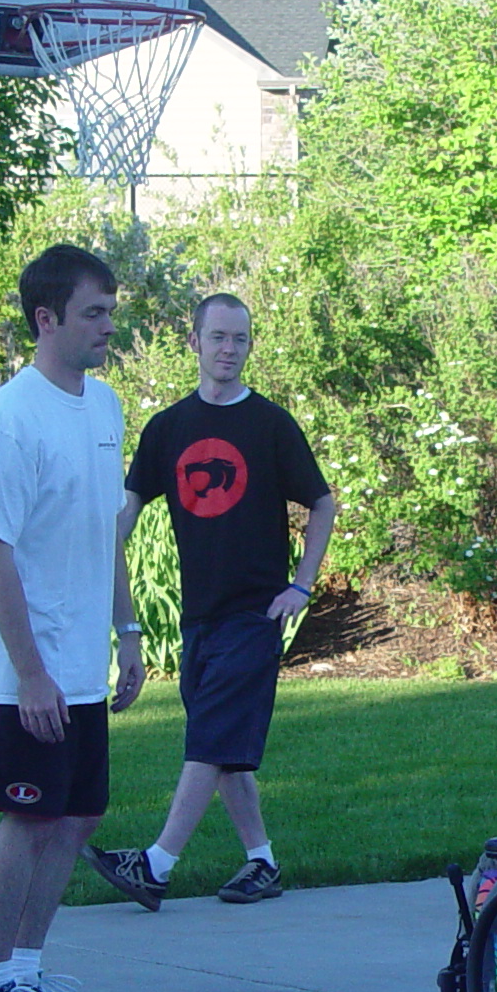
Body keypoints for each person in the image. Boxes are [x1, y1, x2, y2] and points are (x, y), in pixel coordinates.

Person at [0, 244, 144, 992]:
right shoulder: (9, 419)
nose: (108, 327)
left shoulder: (103, 410)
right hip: (14, 677)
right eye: (94, 313)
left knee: (77, 815)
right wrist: (29, 671)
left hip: (78, 670)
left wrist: (128, 632)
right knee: (28, 822)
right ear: (47, 319)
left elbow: (107, 531)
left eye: (109, 311)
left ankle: (26, 977)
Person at [86, 293, 337, 909]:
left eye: (241, 339)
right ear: (194, 342)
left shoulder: (271, 424)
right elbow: (125, 515)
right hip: (198, 611)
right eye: (218, 337)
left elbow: (323, 503)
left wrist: (300, 586)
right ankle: (263, 863)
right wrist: (97, 562)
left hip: (256, 612)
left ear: (250, 346)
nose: (229, 350)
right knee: (223, 748)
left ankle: (157, 864)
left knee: (210, 738)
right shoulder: (168, 429)